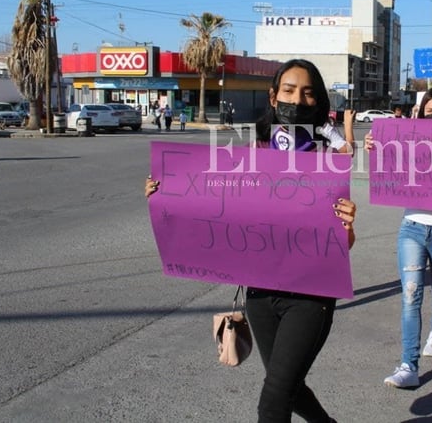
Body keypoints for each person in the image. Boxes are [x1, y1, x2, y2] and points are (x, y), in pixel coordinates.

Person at [149, 58, 356, 422]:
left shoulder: (329, 158)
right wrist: (165, 193)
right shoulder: (254, 153)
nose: (298, 100)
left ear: (318, 101)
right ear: (274, 97)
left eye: (308, 93)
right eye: (289, 91)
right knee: (287, 387)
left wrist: (347, 226)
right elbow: (213, 205)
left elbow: (342, 243)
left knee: (274, 398)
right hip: (260, 293)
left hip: (310, 295)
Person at [365, 87, 432, 389]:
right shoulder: (409, 139)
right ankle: (409, 365)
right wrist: (375, 145)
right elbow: (387, 163)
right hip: (412, 226)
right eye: (430, 110)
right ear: (420, 115)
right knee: (410, 295)